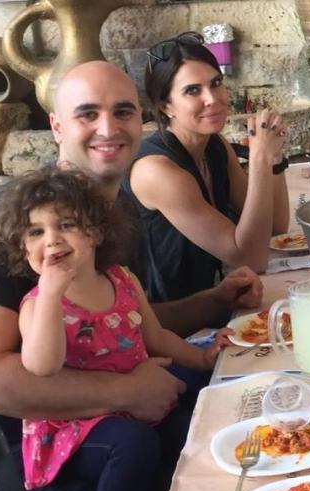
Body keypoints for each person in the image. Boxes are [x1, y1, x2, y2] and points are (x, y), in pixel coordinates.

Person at [0, 60, 262, 491]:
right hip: (26, 463)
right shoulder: (9, 225)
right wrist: (126, 392)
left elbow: (121, 324)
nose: (108, 128)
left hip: (125, 424)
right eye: (86, 114)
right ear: (56, 126)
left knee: (245, 449)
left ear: (143, 121)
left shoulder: (115, 212)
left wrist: (211, 303)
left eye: (122, 112)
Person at [0, 167, 232, 491]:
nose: (51, 240)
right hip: (75, 430)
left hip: (136, 410)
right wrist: (51, 295)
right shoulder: (37, 305)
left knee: (195, 425)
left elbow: (158, 339)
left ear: (96, 232)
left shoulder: (122, 280)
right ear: (22, 247)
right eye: (35, 232)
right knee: (134, 446)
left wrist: (204, 359)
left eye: (66, 224)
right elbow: (41, 365)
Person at [123, 32, 289, 302]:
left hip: (214, 302)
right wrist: (258, 160)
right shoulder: (156, 171)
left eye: (216, 83)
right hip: (169, 326)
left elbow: (274, 229)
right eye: (192, 91)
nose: (212, 99)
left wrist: (275, 157)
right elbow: (252, 257)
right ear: (166, 106)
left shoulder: (214, 146)